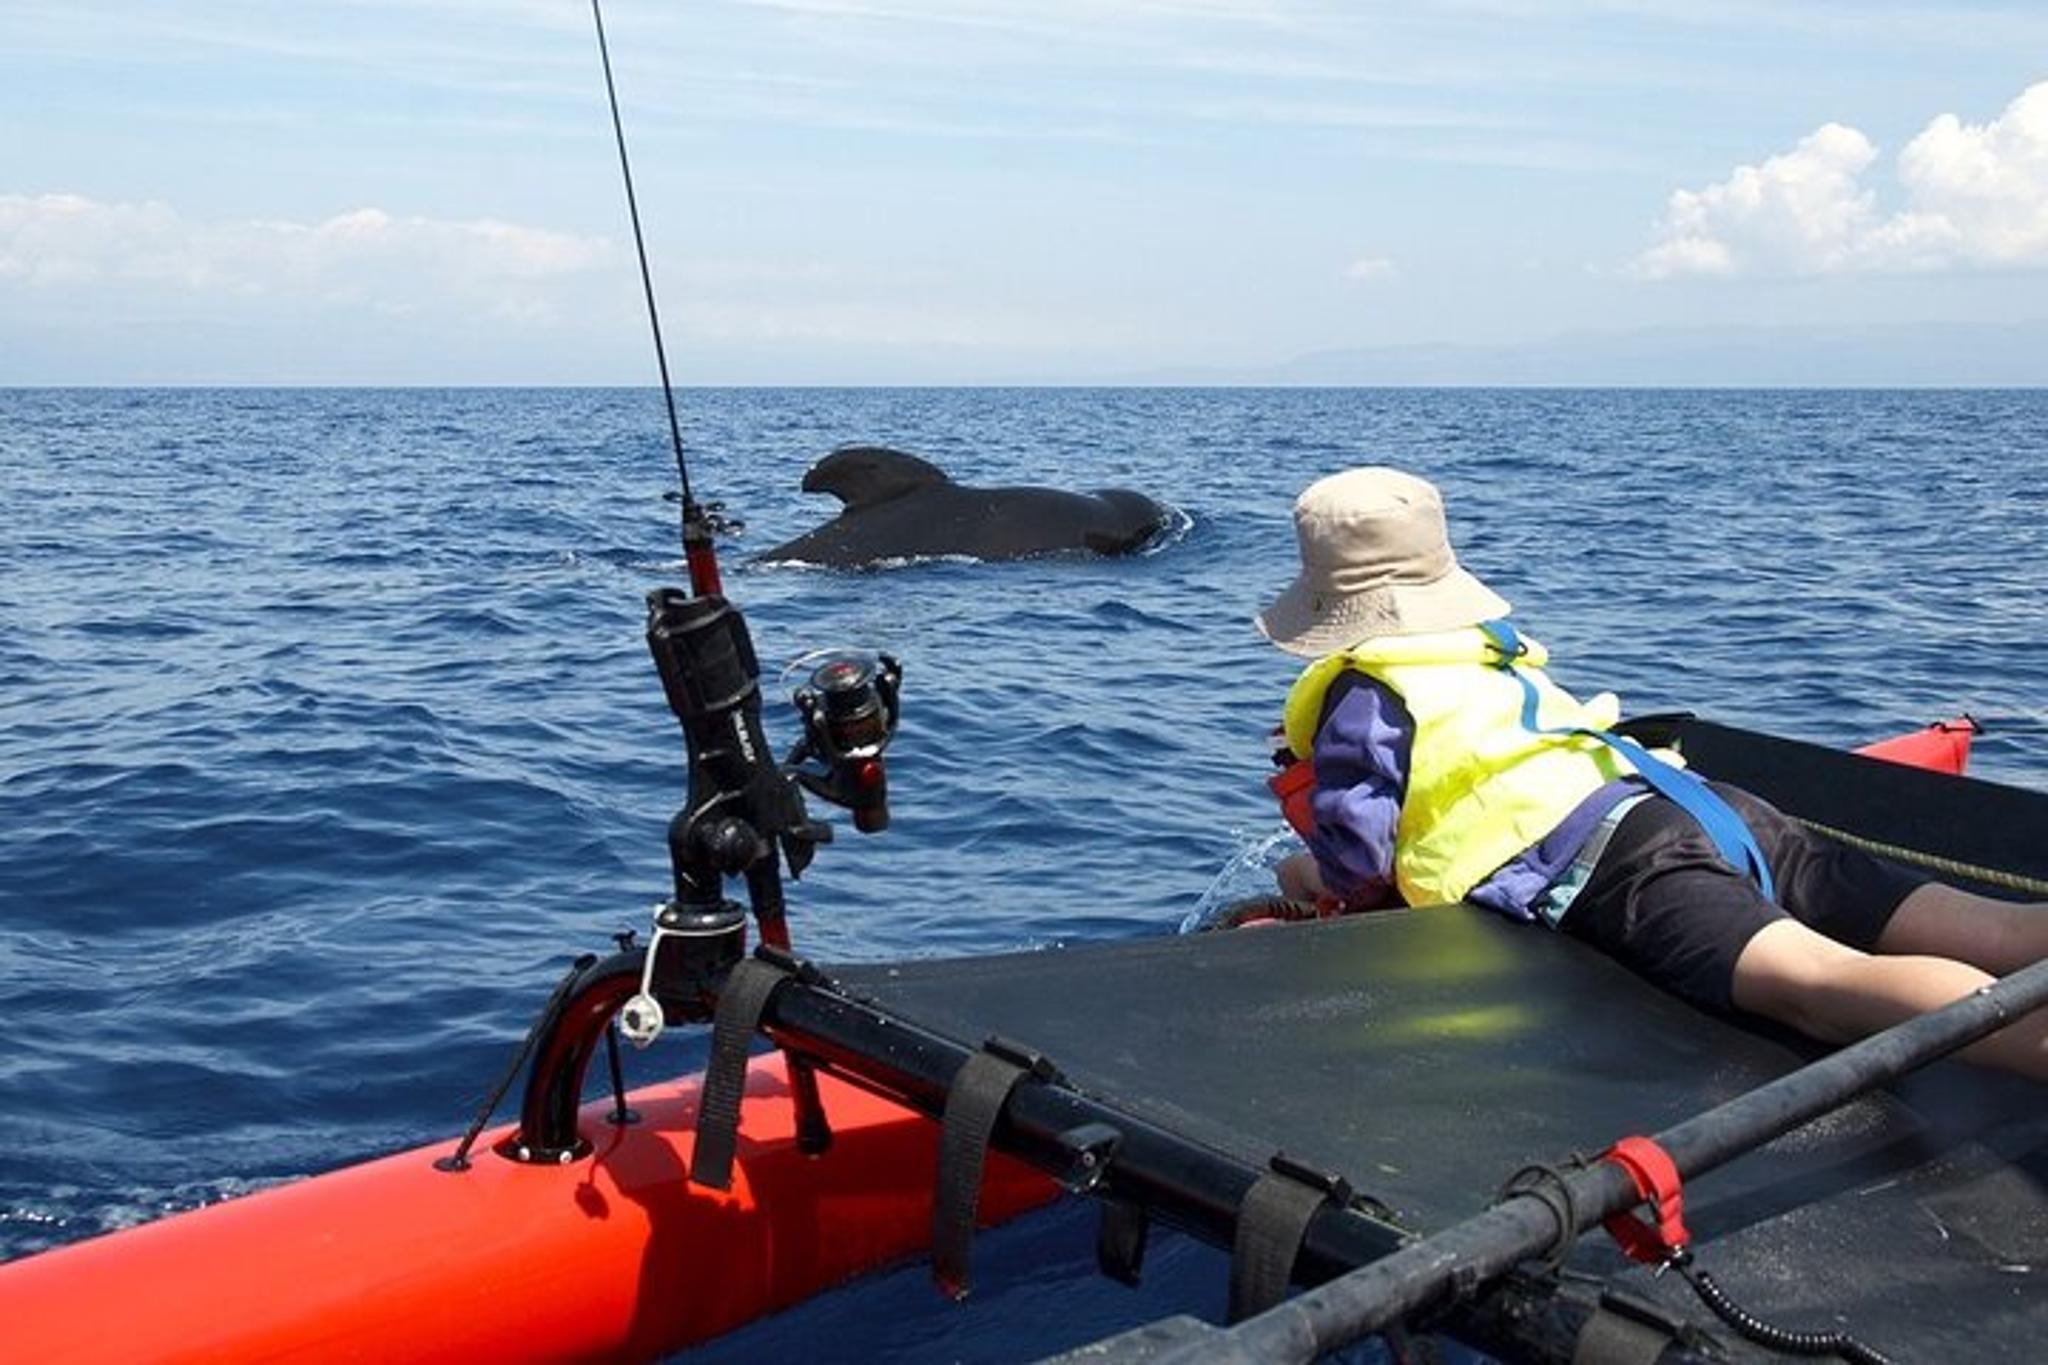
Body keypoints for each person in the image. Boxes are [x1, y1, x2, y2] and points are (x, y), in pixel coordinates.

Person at [1256, 466, 2047, 1081]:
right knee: (1992, 924)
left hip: (1622, 865)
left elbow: (1358, 858)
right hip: (1694, 801)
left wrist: (1305, 873)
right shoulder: (1483, 647)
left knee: (1821, 983)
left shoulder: (1366, 692)